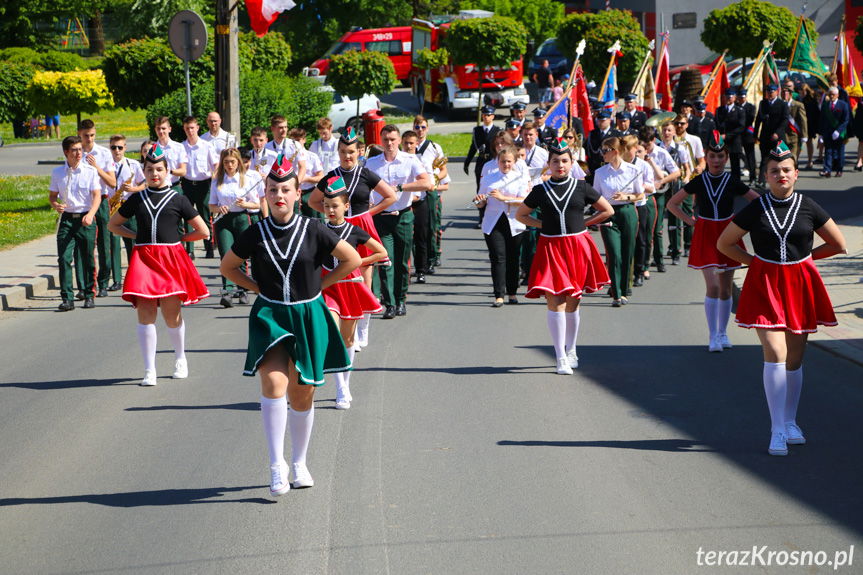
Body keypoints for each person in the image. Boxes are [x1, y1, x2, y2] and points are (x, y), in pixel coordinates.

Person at [220, 156, 360, 496]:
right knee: (273, 384)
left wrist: (322, 286)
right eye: (272, 190)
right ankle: (276, 464)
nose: (278, 195)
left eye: (285, 189)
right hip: (271, 315)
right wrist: (257, 289)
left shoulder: (315, 229)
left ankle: (299, 461)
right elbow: (228, 267)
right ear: (265, 194)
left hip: (308, 315)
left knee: (303, 393)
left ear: (298, 194)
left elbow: (352, 259)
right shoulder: (255, 232)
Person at [717, 142, 846, 456]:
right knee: (774, 350)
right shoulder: (755, 208)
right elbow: (725, 243)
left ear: (796, 174)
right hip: (765, 285)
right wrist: (754, 263)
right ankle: (776, 430)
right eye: (774, 171)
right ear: (766, 176)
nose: (781, 175)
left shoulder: (809, 206)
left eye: (786, 170)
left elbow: (838, 244)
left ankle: (790, 421)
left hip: (800, 283)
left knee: (795, 358)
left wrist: (808, 260)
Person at [108, 143, 210, 386]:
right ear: (144, 171)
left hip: (170, 260)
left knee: (171, 314)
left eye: (159, 170)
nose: (154, 174)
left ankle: (180, 358)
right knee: (145, 314)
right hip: (144, 260)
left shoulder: (179, 199)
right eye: (150, 169)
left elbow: (203, 231)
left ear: (167, 171)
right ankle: (149, 369)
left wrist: (180, 239)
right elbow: (113, 225)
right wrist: (137, 238)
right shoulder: (136, 198)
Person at [515, 138, 613, 374]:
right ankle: (559, 356)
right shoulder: (540, 190)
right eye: (555, 161)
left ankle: (572, 350)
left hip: (577, 246)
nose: (560, 165)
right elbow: (521, 215)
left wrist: (586, 223)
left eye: (565, 161)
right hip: (550, 248)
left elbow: (607, 210)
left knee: (573, 301)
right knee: (555, 300)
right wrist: (541, 225)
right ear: (548, 164)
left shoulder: (582, 187)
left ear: (571, 163)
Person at [667, 132, 760, 351]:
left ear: (726, 158)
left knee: (726, 289)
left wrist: (743, 223)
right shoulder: (699, 181)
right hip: (706, 232)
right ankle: (712, 336)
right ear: (706, 158)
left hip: (728, 232)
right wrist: (691, 222)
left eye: (720, 156)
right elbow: (672, 204)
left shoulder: (732, 181)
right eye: (712, 156)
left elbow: (757, 201)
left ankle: (723, 332)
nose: (716, 160)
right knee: (714, 286)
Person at [309, 127, 396, 342]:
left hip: (361, 226)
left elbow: (390, 196)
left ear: (359, 151)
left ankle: (362, 327)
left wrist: (368, 213)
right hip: (335, 227)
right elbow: (313, 201)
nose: (347, 156)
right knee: (337, 272)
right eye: (342, 152)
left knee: (363, 276)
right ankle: (342, 321)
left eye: (351, 152)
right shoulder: (331, 176)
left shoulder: (365, 174)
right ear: (338, 152)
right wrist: (331, 213)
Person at [319, 175, 387, 409]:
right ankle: (339, 388)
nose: (330, 210)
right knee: (333, 333)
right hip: (327, 286)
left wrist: (357, 261)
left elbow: (381, 252)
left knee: (348, 339)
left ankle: (344, 385)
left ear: (346, 206)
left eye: (334, 206)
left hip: (350, 286)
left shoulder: (355, 231)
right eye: (326, 206)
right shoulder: (317, 230)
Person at [366, 125, 431, 318]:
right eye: (385, 139)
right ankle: (390, 304)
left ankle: (401, 300)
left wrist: (401, 187)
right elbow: (365, 186)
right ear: (381, 140)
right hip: (381, 216)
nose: (389, 144)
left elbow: (427, 183)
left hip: (403, 216)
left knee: (402, 262)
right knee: (385, 261)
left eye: (393, 140)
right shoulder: (371, 163)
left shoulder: (409, 160)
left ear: (399, 140)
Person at [49, 136, 102, 311]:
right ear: (66, 152)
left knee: (87, 258)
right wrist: (56, 205)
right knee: (64, 258)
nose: (79, 153)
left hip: (85, 218)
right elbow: (52, 196)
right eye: (74, 150)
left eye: (80, 149)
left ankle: (88, 294)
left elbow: (96, 196)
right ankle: (67, 298)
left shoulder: (89, 171)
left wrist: (91, 214)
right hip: (67, 220)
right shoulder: (58, 172)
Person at [474, 147, 530, 307]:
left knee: (513, 258)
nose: (505, 164)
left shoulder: (519, 178)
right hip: (493, 222)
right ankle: (499, 294)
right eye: (502, 161)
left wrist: (504, 198)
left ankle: (512, 293)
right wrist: (479, 201)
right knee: (498, 257)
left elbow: (524, 201)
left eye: (509, 161)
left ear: (514, 162)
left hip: (514, 221)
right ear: (498, 162)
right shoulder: (489, 179)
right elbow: (481, 201)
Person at [592, 137, 645, 307]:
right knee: (613, 253)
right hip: (608, 213)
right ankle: (616, 293)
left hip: (627, 212)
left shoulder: (633, 170)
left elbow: (641, 194)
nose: (602, 154)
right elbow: (595, 196)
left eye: (605, 151)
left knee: (627, 251)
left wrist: (626, 197)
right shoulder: (600, 173)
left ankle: (624, 290)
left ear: (614, 152)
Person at [209, 148, 261, 308]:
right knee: (225, 254)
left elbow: (257, 204)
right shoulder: (217, 180)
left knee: (241, 255)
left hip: (241, 218)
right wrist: (220, 208)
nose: (229, 165)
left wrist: (245, 204)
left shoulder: (246, 179)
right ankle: (227, 291)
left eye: (232, 162)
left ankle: (243, 289)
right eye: (226, 162)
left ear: (238, 162)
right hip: (224, 220)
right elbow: (211, 205)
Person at [77, 119, 117, 299]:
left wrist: (96, 167)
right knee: (83, 246)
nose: (89, 139)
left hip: (101, 202)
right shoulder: (75, 152)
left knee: (104, 244)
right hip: (82, 203)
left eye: (92, 135)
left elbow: (112, 182)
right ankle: (84, 285)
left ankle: (103, 283)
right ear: (79, 134)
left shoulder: (103, 153)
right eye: (86, 136)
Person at [638, 126, 681, 276]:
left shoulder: (661, 153)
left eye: (647, 145)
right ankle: (644, 262)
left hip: (659, 193)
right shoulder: (638, 153)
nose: (646, 149)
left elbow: (677, 172)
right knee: (643, 229)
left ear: (653, 141)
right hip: (643, 193)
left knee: (656, 228)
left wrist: (662, 181)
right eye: (643, 146)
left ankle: (659, 259)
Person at [105, 135, 146, 289]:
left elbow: (144, 184)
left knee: (133, 243)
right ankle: (116, 280)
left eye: (120, 147)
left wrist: (133, 189)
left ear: (125, 148)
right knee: (114, 245)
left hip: (129, 208)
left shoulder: (133, 164)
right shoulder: (106, 166)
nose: (117, 151)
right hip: (112, 207)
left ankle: (134, 275)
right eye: (113, 147)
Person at [413, 115, 449, 272]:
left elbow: (443, 170)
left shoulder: (434, 147)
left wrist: (434, 180)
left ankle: (432, 256)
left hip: (430, 191)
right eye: (417, 127)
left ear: (427, 128)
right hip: (414, 190)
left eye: (423, 127)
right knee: (417, 228)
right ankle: (420, 261)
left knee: (432, 226)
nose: (420, 130)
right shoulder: (408, 146)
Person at [181, 116, 219, 259]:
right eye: (187, 128)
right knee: (187, 216)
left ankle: (209, 246)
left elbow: (215, 165)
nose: (190, 131)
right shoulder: (182, 147)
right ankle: (189, 250)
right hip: (187, 184)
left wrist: (215, 181)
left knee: (205, 216)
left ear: (197, 128)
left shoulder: (206, 146)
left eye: (192, 128)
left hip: (204, 184)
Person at [621, 135, 656, 288]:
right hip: (622, 205)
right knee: (624, 241)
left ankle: (639, 271)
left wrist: (637, 184)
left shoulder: (643, 165)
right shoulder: (619, 164)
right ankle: (623, 274)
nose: (626, 152)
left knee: (640, 239)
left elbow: (651, 187)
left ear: (635, 149)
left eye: (628, 149)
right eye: (624, 149)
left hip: (639, 204)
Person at [753, 84, 788, 187]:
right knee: (764, 159)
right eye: (768, 92)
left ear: (777, 92)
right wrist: (755, 135)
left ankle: (781, 180)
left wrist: (778, 132)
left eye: (772, 92)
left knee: (779, 160)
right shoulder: (763, 103)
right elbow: (758, 119)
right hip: (765, 136)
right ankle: (761, 181)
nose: (770, 94)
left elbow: (785, 120)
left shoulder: (782, 104)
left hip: (777, 137)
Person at [265, 114, 307, 184]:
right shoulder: (266, 147)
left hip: (291, 183)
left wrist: (296, 184)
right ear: (272, 128)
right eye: (280, 127)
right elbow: (263, 168)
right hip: (274, 185)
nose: (284, 130)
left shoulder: (295, 145)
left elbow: (302, 167)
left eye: (286, 127)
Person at [819, 86, 850, 178]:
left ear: (837, 95)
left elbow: (846, 120)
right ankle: (827, 170)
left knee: (840, 152)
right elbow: (822, 120)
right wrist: (820, 134)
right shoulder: (825, 105)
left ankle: (839, 170)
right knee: (828, 151)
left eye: (833, 94)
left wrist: (838, 131)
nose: (831, 96)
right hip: (827, 132)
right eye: (830, 94)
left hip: (839, 133)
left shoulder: (843, 105)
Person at [781, 86, 807, 161]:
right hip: (782, 136)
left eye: (786, 93)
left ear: (790, 94)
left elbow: (803, 120)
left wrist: (804, 135)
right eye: (783, 93)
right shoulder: (780, 104)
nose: (784, 95)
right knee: (783, 158)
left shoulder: (798, 105)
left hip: (794, 135)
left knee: (792, 158)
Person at [799, 85, 821, 170]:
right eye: (800, 90)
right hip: (799, 124)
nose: (801, 92)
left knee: (809, 143)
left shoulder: (811, 100)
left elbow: (814, 114)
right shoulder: (799, 99)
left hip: (809, 125)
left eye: (803, 90)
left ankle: (810, 160)